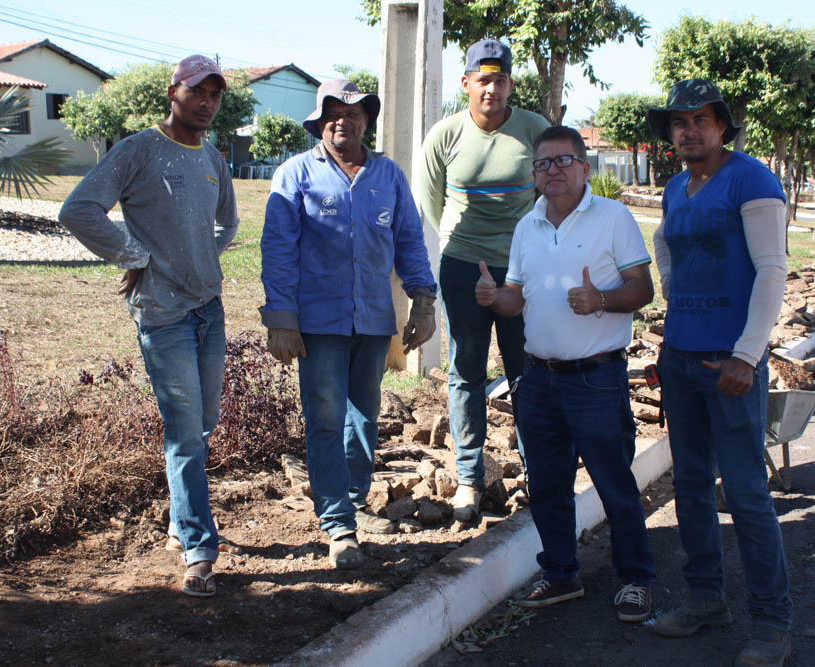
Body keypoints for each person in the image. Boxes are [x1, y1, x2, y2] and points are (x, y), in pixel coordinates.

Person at [59, 55, 236, 598]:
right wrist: (133, 254)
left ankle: (179, 521)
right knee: (185, 431)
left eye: (214, 94)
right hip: (163, 313)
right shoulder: (139, 149)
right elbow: (79, 209)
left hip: (209, 307)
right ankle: (200, 550)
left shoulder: (213, 157)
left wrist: (204, 254)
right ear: (172, 91)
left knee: (203, 422)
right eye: (196, 91)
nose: (205, 102)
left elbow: (228, 221)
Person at [475, 125, 656, 621]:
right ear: (534, 175)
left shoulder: (613, 218)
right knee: (548, 486)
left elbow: (643, 289)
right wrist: (496, 299)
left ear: (584, 168)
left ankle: (635, 579)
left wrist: (601, 299)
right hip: (538, 379)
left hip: (596, 380)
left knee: (614, 483)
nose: (551, 171)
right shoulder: (526, 226)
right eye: (542, 164)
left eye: (562, 161)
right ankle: (560, 575)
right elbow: (516, 299)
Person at [260, 80, 437, 569]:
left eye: (355, 111)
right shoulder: (296, 174)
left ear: (367, 120)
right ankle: (338, 525)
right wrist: (281, 316)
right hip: (318, 322)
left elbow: (410, 240)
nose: (344, 119)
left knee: (364, 415)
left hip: (375, 318)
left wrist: (423, 299)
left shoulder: (388, 176)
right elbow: (277, 250)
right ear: (319, 121)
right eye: (333, 111)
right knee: (324, 418)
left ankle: (354, 499)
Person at [646, 80, 791, 666]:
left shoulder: (751, 179)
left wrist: (748, 354)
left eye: (701, 119)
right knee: (689, 486)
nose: (689, 130)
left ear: (723, 125)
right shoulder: (677, 187)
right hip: (683, 358)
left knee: (748, 494)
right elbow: (673, 266)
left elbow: (773, 271)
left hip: (730, 364)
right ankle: (706, 598)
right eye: (679, 122)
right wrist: (667, 342)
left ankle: (773, 624)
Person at [416, 39, 550, 522]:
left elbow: (555, 193)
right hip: (462, 268)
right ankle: (469, 481)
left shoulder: (535, 131)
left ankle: (540, 475)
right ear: (466, 82)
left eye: (500, 79)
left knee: (526, 370)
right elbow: (430, 200)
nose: (491, 88)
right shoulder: (446, 135)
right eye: (483, 79)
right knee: (466, 371)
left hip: (523, 271)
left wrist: (528, 252)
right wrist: (463, 244)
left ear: (510, 83)